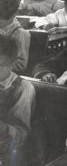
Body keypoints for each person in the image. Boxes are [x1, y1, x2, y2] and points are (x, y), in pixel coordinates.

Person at [0, 35, 35, 166]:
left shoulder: (23, 88)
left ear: (11, 64)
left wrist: (3, 128)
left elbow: (21, 135)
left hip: (7, 152)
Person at [0, 0, 30, 74]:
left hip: (8, 76)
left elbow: (21, 65)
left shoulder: (20, 34)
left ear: (12, 17)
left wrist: (2, 66)